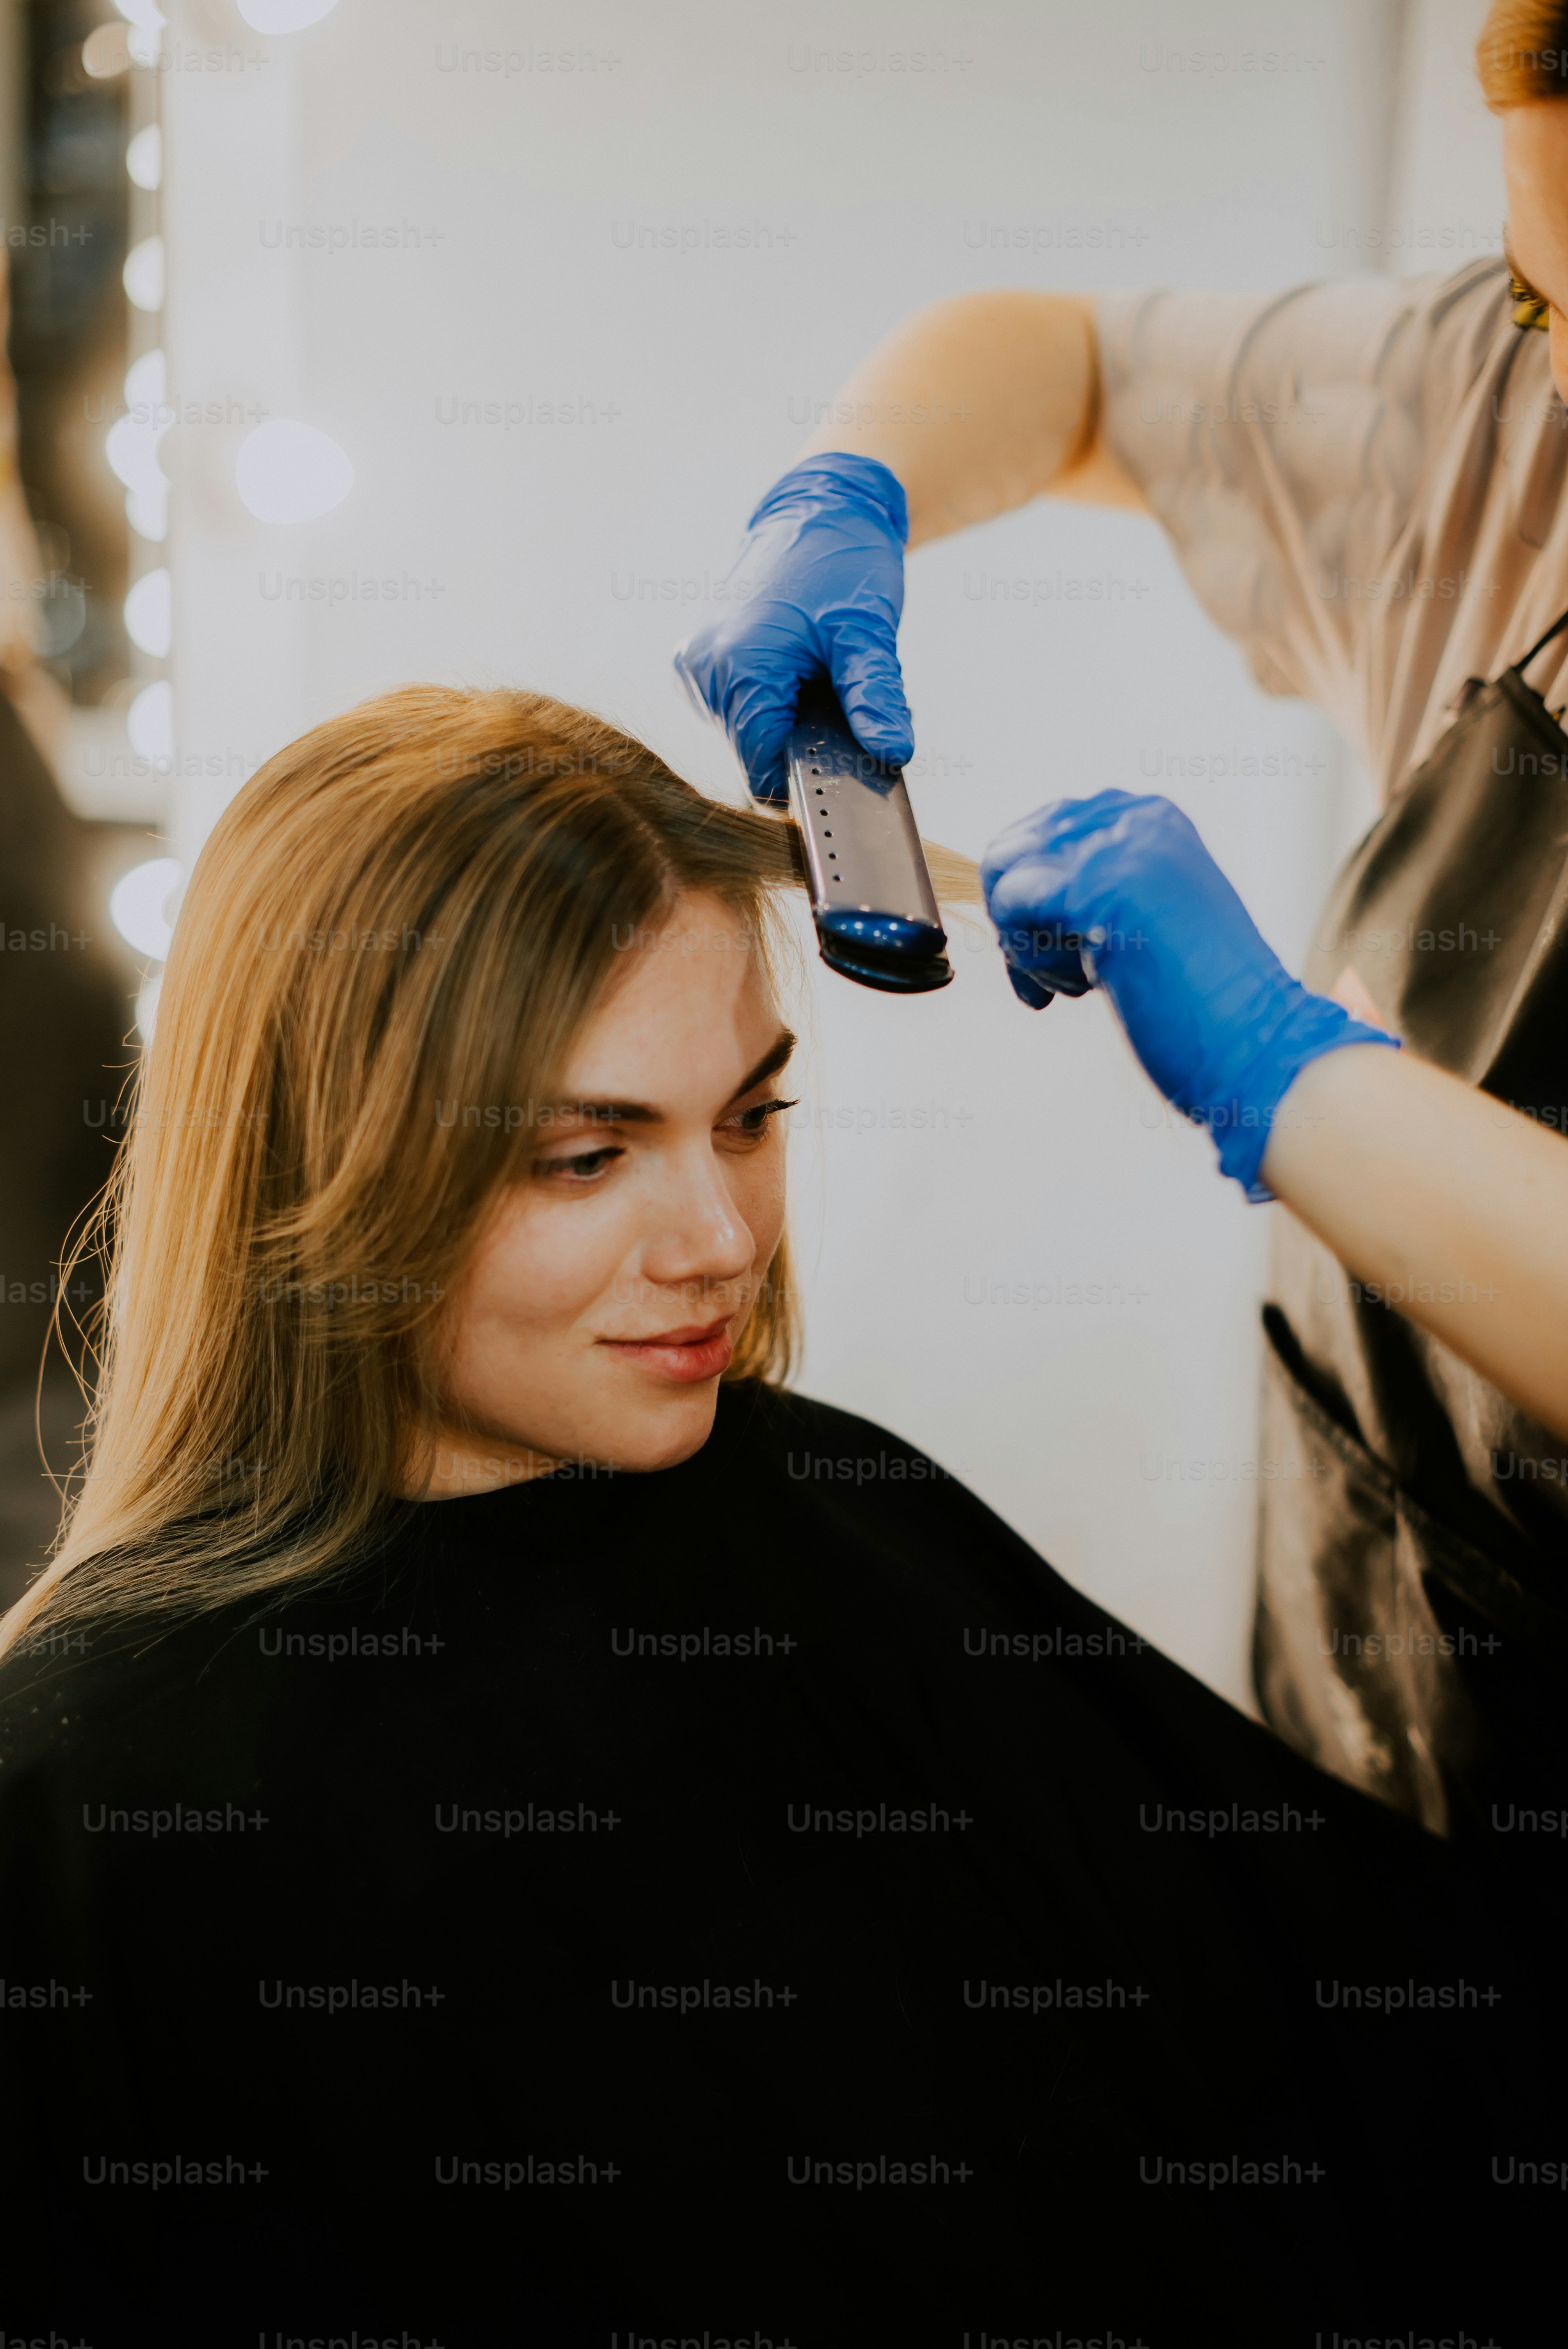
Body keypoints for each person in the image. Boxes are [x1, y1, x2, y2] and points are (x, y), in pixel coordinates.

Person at [0, 684, 1555, 2345]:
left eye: (749, 1118)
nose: (720, 1239)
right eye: (585, 1157)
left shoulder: (819, 1510)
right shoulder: (92, 1805)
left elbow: (1375, 2024)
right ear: (328, 1164)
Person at [674, 3, 1568, 1845]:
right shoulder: (1503, 398)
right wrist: (850, 484)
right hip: (1372, 1655)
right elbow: (1067, 367)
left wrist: (1284, 1070)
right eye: (1546, 300)